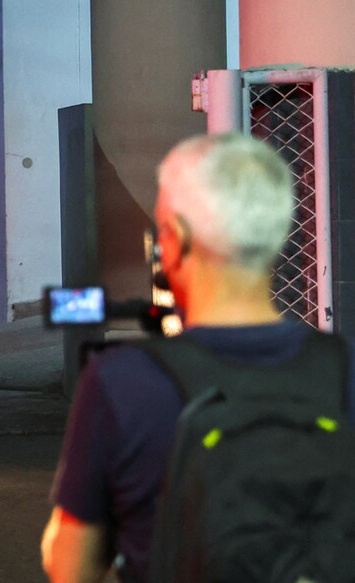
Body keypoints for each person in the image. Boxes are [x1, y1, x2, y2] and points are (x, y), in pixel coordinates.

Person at [39, 133, 355, 582]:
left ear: (178, 241)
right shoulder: (344, 371)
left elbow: (70, 564)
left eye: (162, 231)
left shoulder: (122, 383)